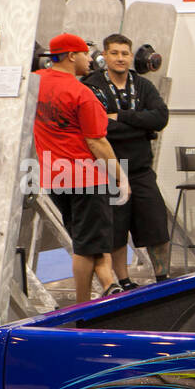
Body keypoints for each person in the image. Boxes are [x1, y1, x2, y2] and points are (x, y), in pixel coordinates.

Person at [33, 32, 129, 304]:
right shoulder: (80, 92)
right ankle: (83, 307)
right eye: (86, 54)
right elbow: (97, 142)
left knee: (90, 240)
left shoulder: (35, 83)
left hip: (54, 177)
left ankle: (109, 285)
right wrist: (120, 177)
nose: (90, 59)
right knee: (85, 248)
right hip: (85, 178)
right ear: (72, 55)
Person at [81, 33, 171, 288]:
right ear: (105, 56)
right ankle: (125, 281)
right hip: (109, 171)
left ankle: (163, 278)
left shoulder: (143, 86)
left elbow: (160, 118)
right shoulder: (92, 85)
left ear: (131, 56)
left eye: (124, 54)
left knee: (157, 225)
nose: (120, 58)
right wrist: (142, 126)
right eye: (115, 53)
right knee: (116, 232)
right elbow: (99, 127)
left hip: (142, 170)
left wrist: (120, 116)